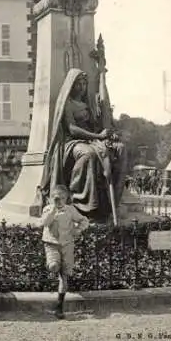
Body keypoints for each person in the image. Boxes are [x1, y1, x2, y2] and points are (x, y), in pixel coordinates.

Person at [40, 68, 127, 220]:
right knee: (89, 155)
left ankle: (110, 203)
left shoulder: (87, 105)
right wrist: (98, 136)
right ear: (71, 85)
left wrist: (107, 134)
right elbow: (72, 129)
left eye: (84, 84)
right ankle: (81, 201)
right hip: (71, 143)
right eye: (78, 84)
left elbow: (97, 125)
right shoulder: (68, 103)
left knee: (120, 149)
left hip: (92, 140)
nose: (81, 87)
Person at [41, 185, 89, 319]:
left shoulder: (70, 210)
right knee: (53, 265)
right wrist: (53, 210)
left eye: (62, 198)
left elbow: (84, 220)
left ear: (67, 199)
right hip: (52, 244)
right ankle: (53, 266)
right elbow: (44, 222)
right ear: (50, 198)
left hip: (67, 245)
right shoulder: (48, 209)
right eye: (55, 197)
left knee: (65, 275)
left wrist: (78, 230)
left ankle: (59, 307)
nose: (59, 200)